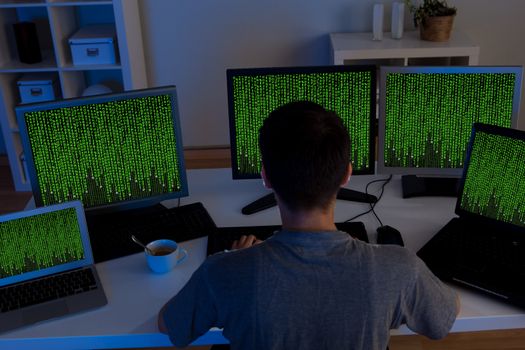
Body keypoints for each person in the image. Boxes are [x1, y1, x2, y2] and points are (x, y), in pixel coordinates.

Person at [158, 101, 459, 349]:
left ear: (265, 177)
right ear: (346, 175)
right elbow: (445, 316)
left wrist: (237, 261)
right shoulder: (400, 269)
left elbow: (169, 325)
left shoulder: (223, 273)